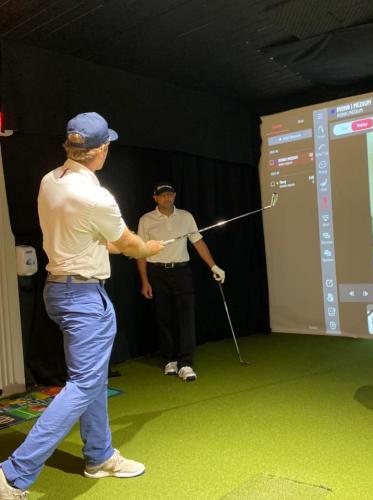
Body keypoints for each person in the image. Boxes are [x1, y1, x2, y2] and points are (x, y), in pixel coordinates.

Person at [0, 112, 164, 499]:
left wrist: (119, 244)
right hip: (82, 298)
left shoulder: (49, 180)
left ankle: (99, 456)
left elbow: (87, 234)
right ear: (101, 150)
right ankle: (13, 475)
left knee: (92, 381)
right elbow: (131, 244)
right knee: (84, 384)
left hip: (57, 290)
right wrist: (150, 247)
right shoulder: (96, 196)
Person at [136, 182, 225, 382]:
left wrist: (213, 266)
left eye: (171, 194)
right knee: (163, 317)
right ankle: (169, 359)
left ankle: (185, 363)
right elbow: (140, 252)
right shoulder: (146, 220)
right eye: (163, 195)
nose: (168, 198)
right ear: (155, 198)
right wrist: (145, 281)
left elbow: (198, 242)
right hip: (156, 272)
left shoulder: (186, 217)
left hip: (182, 271)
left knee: (186, 317)